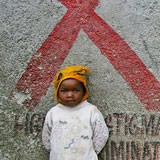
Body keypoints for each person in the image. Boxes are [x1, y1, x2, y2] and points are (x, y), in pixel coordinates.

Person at [42, 65, 109, 160]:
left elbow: (101, 134)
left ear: (83, 91)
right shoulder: (53, 112)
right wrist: (56, 151)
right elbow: (46, 136)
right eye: (64, 91)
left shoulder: (91, 111)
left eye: (76, 90)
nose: (70, 95)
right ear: (57, 92)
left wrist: (90, 152)